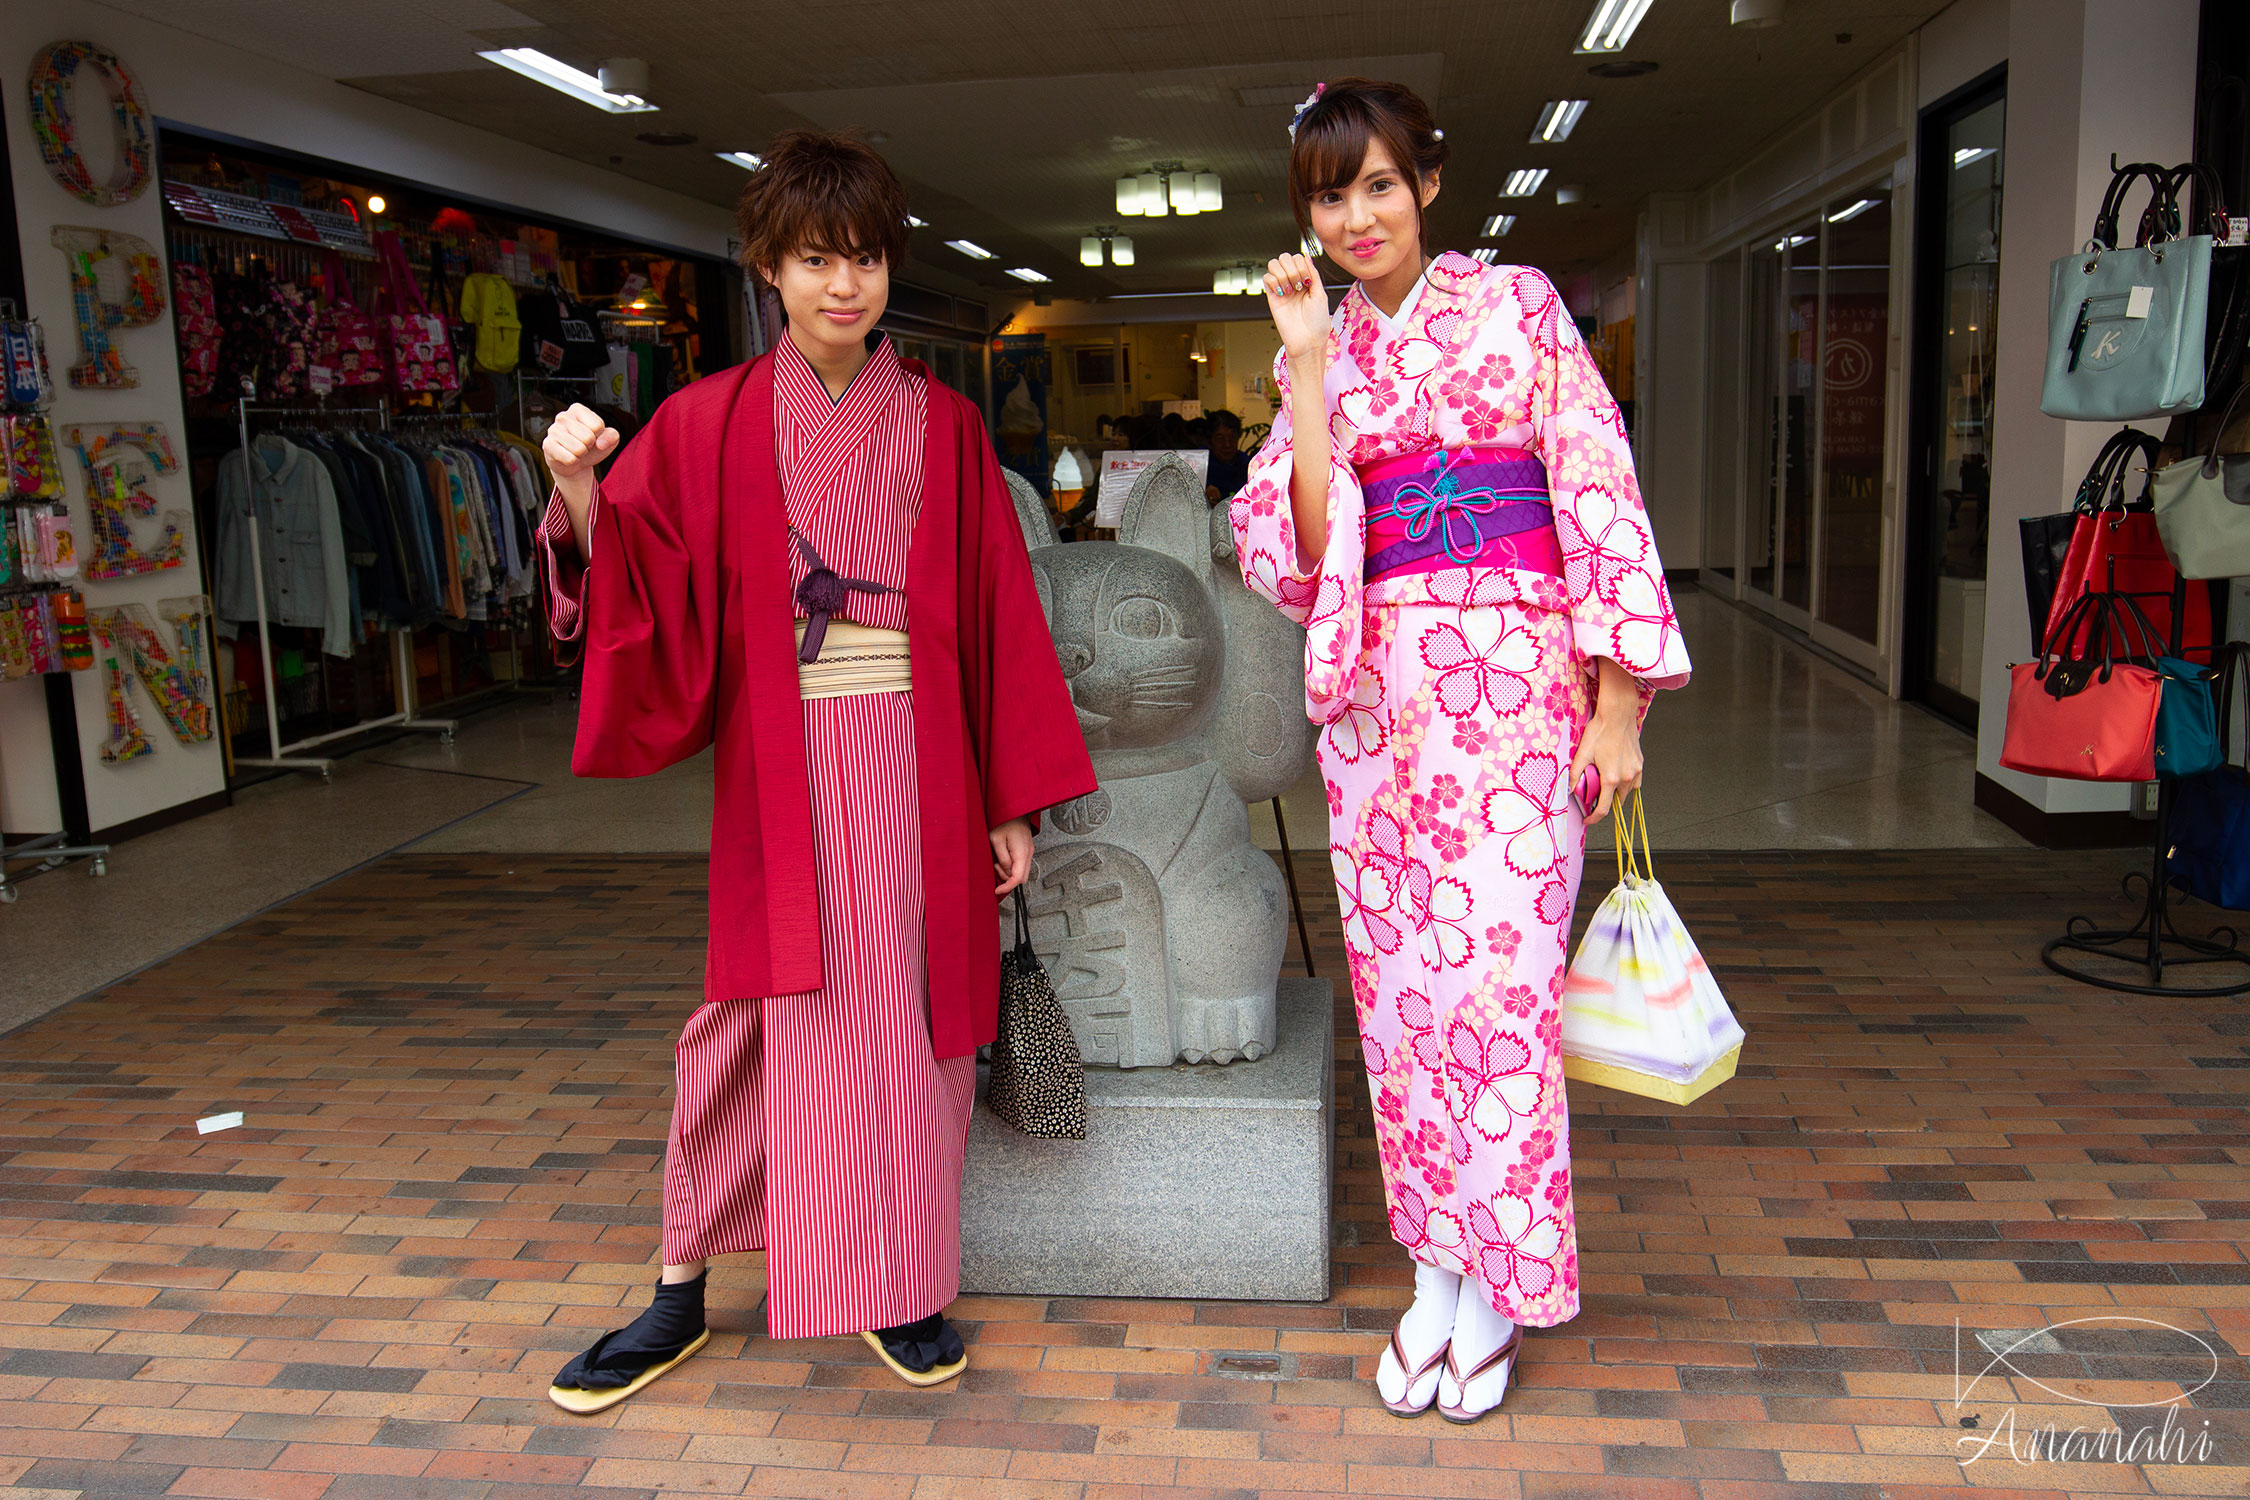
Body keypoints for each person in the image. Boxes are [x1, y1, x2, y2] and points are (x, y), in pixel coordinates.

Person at [537, 130, 1097, 1413]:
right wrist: (576, 489)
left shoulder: (946, 426)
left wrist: (1011, 796)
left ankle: (900, 1288)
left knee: (904, 1019)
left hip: (919, 764)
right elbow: (639, 572)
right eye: (814, 260)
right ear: (769, 269)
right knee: (746, 1013)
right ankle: (679, 1293)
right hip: (786, 765)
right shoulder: (709, 419)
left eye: (865, 258)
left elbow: (998, 612)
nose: (844, 286)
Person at [1231, 78, 1691, 1424]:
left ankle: (1499, 1284)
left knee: (1495, 998)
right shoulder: (1315, 346)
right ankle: (1433, 1266)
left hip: (1512, 692)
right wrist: (1310, 374)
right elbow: (1298, 551)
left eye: (1377, 184)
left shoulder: (1520, 307)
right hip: (1380, 716)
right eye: (1328, 195)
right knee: (1397, 1003)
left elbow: (1595, 482)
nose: (1355, 215)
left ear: (1427, 184)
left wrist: (1618, 702)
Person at [1204, 408, 1251, 504]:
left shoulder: (1246, 463)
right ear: (1209, 441)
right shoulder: (1199, 462)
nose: (1227, 445)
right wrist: (1204, 488)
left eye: (1232, 438)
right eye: (1220, 439)